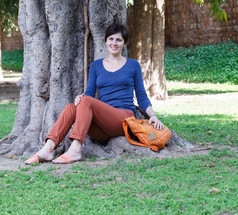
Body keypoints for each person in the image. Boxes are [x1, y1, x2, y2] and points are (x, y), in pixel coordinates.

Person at [25, 23, 165, 164]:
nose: (114, 43)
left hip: (123, 119)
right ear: (105, 41)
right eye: (111, 39)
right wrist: (81, 98)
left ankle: (75, 150)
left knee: (86, 101)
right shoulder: (96, 65)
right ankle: (48, 148)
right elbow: (89, 94)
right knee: (70, 108)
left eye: (118, 40)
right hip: (101, 128)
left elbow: (141, 96)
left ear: (124, 43)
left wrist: (153, 115)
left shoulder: (133, 65)